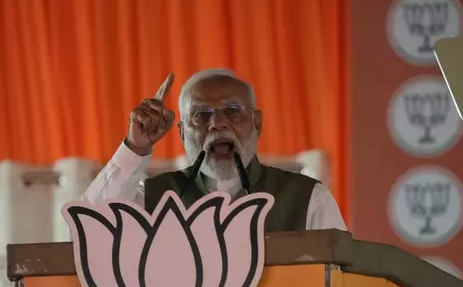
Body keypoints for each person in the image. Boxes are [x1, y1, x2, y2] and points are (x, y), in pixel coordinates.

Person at [81, 68, 347, 232]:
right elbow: (89, 227)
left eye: (232, 112)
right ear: (182, 132)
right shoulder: (153, 197)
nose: (218, 124)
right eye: (201, 115)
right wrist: (135, 148)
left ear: (257, 124)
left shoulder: (308, 199)